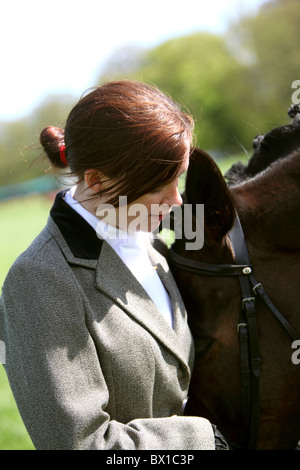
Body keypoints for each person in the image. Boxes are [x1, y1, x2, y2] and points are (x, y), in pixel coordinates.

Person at [0, 80, 228, 450]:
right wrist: (204, 441)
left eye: (179, 180)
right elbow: (80, 444)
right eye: (159, 187)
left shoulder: (151, 236)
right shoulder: (38, 281)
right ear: (98, 181)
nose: (177, 202)